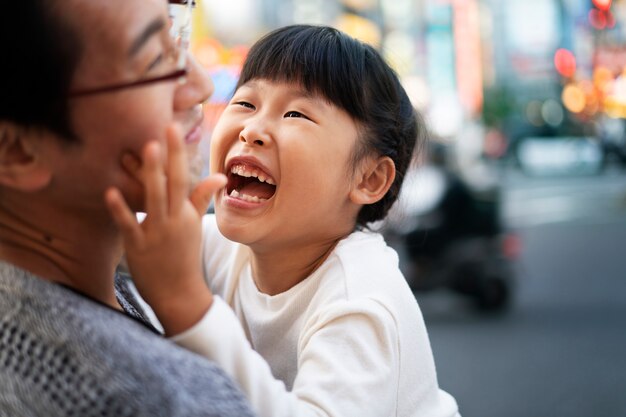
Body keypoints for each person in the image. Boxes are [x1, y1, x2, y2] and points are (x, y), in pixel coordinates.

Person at [111, 25, 461, 417]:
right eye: (245, 103)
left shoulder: (360, 302)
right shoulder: (224, 250)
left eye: (295, 113)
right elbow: (121, 240)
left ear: (369, 179)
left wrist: (187, 307)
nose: (252, 130)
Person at [0, 1, 255, 416]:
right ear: (17, 151)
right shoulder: (146, 398)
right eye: (156, 61)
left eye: (177, 37)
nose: (200, 85)